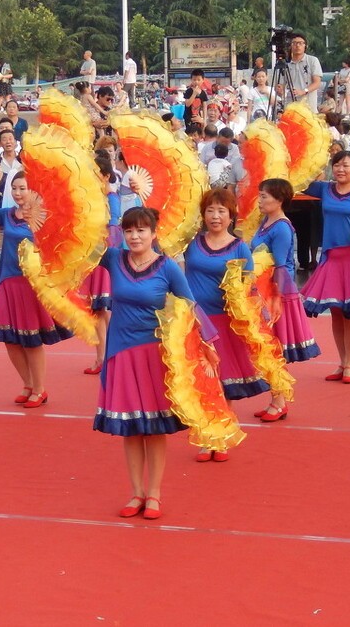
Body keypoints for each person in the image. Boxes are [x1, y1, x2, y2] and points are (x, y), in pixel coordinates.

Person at [96, 206, 218, 520]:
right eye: (129, 230)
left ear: (154, 233)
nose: (134, 236)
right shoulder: (114, 258)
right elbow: (81, 244)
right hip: (121, 353)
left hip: (156, 354)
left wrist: (206, 345)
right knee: (131, 427)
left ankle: (154, 494)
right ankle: (136, 492)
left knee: (153, 428)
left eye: (141, 230)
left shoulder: (167, 267)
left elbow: (190, 306)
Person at [183, 188, 271, 461]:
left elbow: (249, 287)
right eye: (210, 210)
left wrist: (259, 316)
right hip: (195, 321)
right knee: (201, 382)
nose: (215, 216)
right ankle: (206, 436)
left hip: (226, 324)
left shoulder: (239, 247)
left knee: (223, 382)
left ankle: (221, 438)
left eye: (221, 211)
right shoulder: (191, 243)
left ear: (231, 216)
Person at [0, 173, 72, 408]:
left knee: (32, 339)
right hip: (7, 281)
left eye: (23, 188)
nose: (18, 193)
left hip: (32, 284)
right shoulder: (7, 214)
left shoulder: (47, 217)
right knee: (8, 338)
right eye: (14, 188)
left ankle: (40, 389)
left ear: (34, 191)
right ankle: (28, 384)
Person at [301, 151, 350, 383]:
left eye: (345, 165)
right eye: (336, 165)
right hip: (331, 258)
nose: (340, 169)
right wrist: (309, 158)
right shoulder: (325, 189)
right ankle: (342, 362)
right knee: (336, 312)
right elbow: (300, 182)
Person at [250, 178, 320, 419]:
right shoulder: (266, 222)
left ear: (279, 200)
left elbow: (279, 266)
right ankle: (276, 398)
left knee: (274, 347)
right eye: (260, 195)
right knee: (267, 347)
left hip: (276, 293)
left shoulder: (281, 227)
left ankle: (279, 401)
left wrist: (274, 300)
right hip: (265, 290)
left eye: (264, 196)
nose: (260, 201)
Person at [80, 155, 122, 376]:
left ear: (106, 176)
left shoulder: (111, 198)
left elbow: (113, 230)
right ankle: (103, 357)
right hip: (95, 255)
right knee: (99, 311)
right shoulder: (94, 198)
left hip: (104, 257)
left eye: (97, 174)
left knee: (101, 310)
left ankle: (104, 357)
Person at [283, 34, 323, 110]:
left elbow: (317, 83)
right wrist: (280, 89)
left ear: (305, 46)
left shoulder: (312, 60)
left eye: (300, 43)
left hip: (309, 107)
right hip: (291, 107)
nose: (297, 45)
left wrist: (303, 91)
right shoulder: (286, 64)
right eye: (294, 43)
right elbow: (282, 85)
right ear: (290, 46)